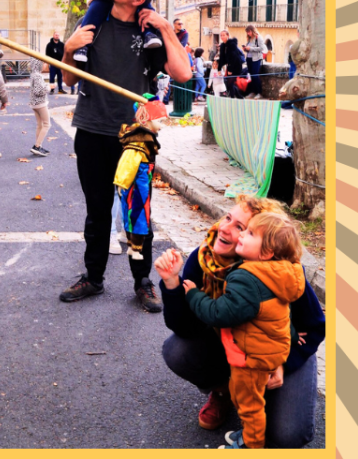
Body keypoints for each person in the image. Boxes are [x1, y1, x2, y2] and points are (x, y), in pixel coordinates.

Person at [59, 0, 192, 311]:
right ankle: (93, 277)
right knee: (97, 212)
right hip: (91, 129)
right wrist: (69, 49)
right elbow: (69, 79)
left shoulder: (150, 33)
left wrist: (166, 27)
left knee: (137, 213)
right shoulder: (94, 21)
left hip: (135, 137)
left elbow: (183, 73)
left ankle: (142, 281)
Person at [155, 196, 325, 449]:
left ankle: (257, 408)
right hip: (237, 348)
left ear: (267, 247)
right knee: (177, 351)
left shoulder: (282, 272)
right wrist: (172, 284)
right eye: (228, 218)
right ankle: (225, 391)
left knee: (288, 435)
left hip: (283, 349)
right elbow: (186, 329)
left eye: (241, 228)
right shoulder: (204, 260)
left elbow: (314, 326)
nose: (224, 228)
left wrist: (282, 362)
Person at [181, 211, 305, 449]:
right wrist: (289, 340)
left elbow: (219, 313)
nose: (241, 236)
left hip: (252, 359)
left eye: (248, 233)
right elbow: (281, 315)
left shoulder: (248, 279)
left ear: (266, 252)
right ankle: (249, 432)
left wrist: (194, 295)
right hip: (270, 350)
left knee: (249, 405)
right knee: (244, 396)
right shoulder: (280, 274)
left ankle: (251, 444)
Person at [113, 96, 167, 260]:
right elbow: (128, 163)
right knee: (138, 214)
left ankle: (133, 245)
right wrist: (122, 182)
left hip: (142, 182)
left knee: (136, 213)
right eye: (159, 121)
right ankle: (135, 248)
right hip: (137, 183)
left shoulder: (143, 138)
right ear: (148, 120)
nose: (162, 125)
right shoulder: (138, 141)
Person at [28, 58, 52, 157]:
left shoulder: (33, 75)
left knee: (40, 125)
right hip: (40, 103)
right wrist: (49, 87)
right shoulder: (38, 76)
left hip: (34, 103)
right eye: (43, 63)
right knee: (47, 124)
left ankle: (38, 146)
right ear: (39, 65)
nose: (45, 65)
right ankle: (37, 146)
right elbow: (38, 91)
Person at [217, 30, 245, 100]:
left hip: (236, 66)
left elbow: (234, 57)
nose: (222, 37)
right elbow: (222, 58)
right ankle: (239, 97)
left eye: (224, 35)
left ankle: (233, 98)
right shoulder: (222, 45)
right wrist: (219, 69)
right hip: (230, 66)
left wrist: (230, 70)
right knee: (230, 83)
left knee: (230, 82)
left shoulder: (232, 44)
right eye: (221, 35)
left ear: (227, 36)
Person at [243, 25, 264, 99]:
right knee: (251, 76)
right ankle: (254, 92)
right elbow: (249, 49)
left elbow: (261, 48)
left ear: (252, 31)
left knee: (255, 75)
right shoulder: (249, 39)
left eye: (249, 32)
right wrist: (245, 49)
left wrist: (250, 48)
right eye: (247, 32)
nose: (248, 33)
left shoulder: (258, 38)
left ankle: (259, 92)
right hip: (249, 59)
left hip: (256, 59)